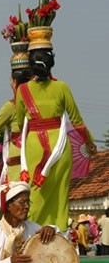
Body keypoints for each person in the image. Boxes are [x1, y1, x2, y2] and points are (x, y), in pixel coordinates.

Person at [16, 49, 96, 230]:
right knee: (60, 193)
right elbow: (77, 121)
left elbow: (21, 124)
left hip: (34, 146)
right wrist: (89, 143)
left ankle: (31, 233)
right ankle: (59, 232)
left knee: (34, 192)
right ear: (51, 64)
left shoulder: (23, 90)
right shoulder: (61, 87)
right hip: (60, 147)